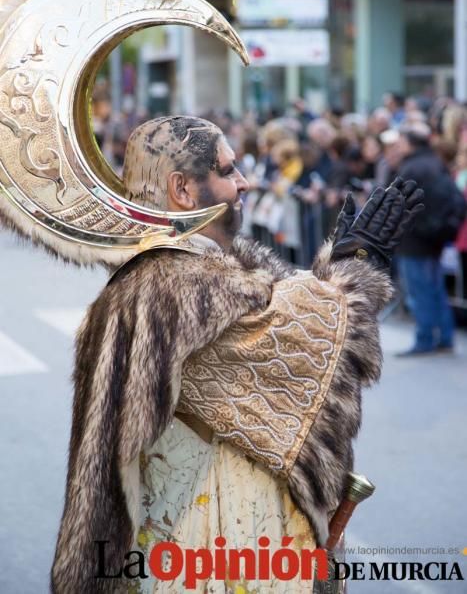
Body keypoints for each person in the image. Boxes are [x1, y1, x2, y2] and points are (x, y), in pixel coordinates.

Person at [49, 114, 424, 593]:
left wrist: (339, 262)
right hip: (212, 541)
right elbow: (295, 349)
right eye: (227, 172)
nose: (244, 182)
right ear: (182, 189)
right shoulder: (170, 282)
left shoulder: (179, 273)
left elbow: (273, 310)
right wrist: (353, 269)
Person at [395, 123, 465, 356]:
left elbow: (400, 203)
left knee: (421, 290)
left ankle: (425, 337)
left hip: (416, 237)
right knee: (435, 288)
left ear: (410, 143)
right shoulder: (435, 163)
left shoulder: (412, 167)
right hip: (433, 236)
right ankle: (444, 336)